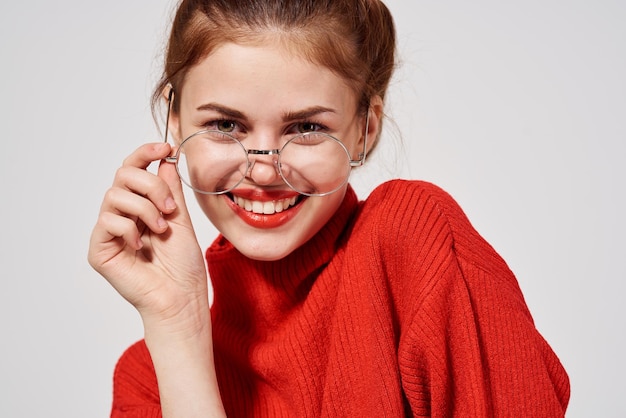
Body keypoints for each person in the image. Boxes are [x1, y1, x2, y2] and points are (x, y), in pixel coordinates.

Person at [88, 0, 570, 416]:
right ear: (175, 120)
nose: (263, 171)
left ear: (366, 128)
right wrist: (177, 321)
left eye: (305, 128)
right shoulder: (151, 379)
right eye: (225, 125)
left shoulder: (410, 243)